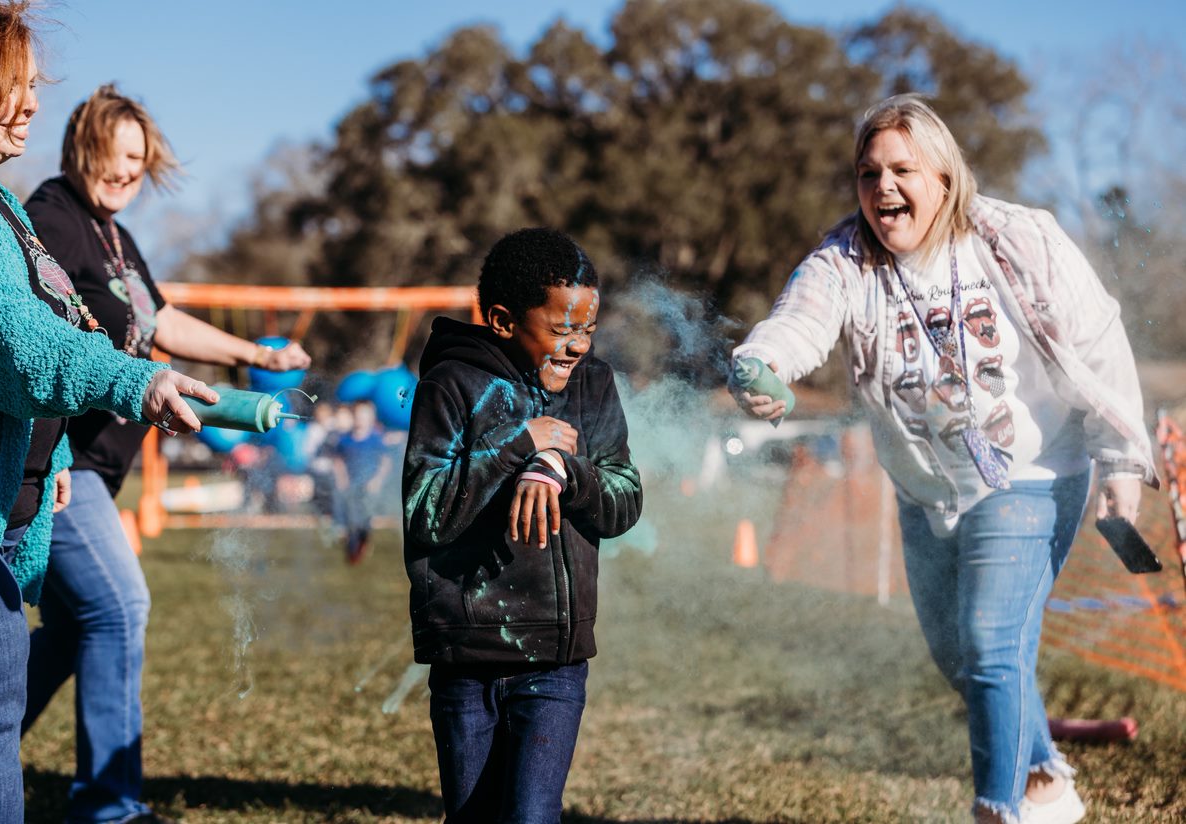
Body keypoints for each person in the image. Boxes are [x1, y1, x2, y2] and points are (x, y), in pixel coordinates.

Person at [732, 94, 1157, 824]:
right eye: (869, 173)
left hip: (1033, 472)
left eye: (903, 169)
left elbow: (1099, 344)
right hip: (926, 489)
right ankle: (1045, 780)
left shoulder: (1019, 239)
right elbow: (799, 321)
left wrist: (1121, 460)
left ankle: (997, 809)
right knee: (965, 661)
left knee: (992, 644)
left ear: (946, 177)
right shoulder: (847, 259)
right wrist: (760, 364)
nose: (883, 188)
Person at [19, 84, 311, 824]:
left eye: (139, 163)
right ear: (83, 145)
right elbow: (40, 334)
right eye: (117, 157)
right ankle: (107, 808)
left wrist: (253, 353)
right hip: (64, 466)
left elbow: (160, 321)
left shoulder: (113, 233)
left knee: (75, 628)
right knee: (118, 609)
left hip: (97, 470)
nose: (127, 174)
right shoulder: (55, 218)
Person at [0, 3, 214, 820]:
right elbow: (17, 342)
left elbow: (61, 324)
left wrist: (53, 460)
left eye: (33, 86)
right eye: (11, 85)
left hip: (2, 507)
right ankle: (109, 803)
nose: (29, 103)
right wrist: (136, 383)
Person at [403, 228, 642, 822]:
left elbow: (624, 495)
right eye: (562, 330)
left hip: (554, 659)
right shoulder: (450, 385)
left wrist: (563, 468)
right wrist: (518, 445)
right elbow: (425, 511)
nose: (578, 345)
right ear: (505, 321)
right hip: (465, 654)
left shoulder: (593, 386)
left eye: (588, 328)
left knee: (533, 816)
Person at [332, 399, 392, 564]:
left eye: (364, 415)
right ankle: (350, 546)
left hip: (369, 486)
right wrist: (341, 478)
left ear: (371, 418)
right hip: (351, 485)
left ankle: (363, 542)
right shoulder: (345, 440)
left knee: (363, 516)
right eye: (357, 415)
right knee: (350, 514)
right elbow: (338, 460)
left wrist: (377, 481)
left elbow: (385, 462)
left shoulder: (375, 439)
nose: (360, 419)